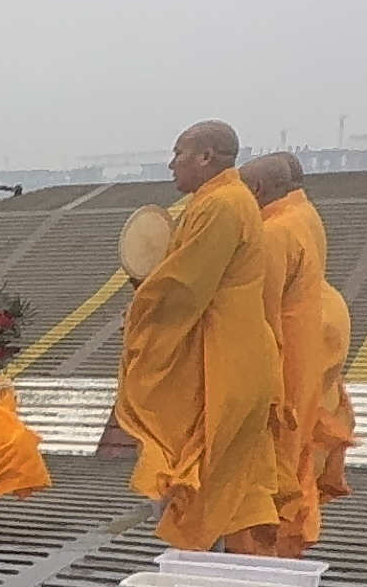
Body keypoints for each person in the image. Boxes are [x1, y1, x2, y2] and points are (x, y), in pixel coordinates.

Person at [113, 122, 286, 552]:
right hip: (230, 350)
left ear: (206, 157)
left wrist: (140, 310)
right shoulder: (218, 201)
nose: (172, 164)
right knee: (215, 474)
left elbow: (184, 287)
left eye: (179, 154)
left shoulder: (222, 205)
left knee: (204, 472)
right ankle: (206, 563)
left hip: (222, 358)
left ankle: (201, 568)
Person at [240, 153, 352, 557]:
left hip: (288, 361)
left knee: (273, 470)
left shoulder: (274, 233)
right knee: (296, 456)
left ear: (255, 191)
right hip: (314, 345)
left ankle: (263, 560)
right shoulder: (304, 214)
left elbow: (259, 317)